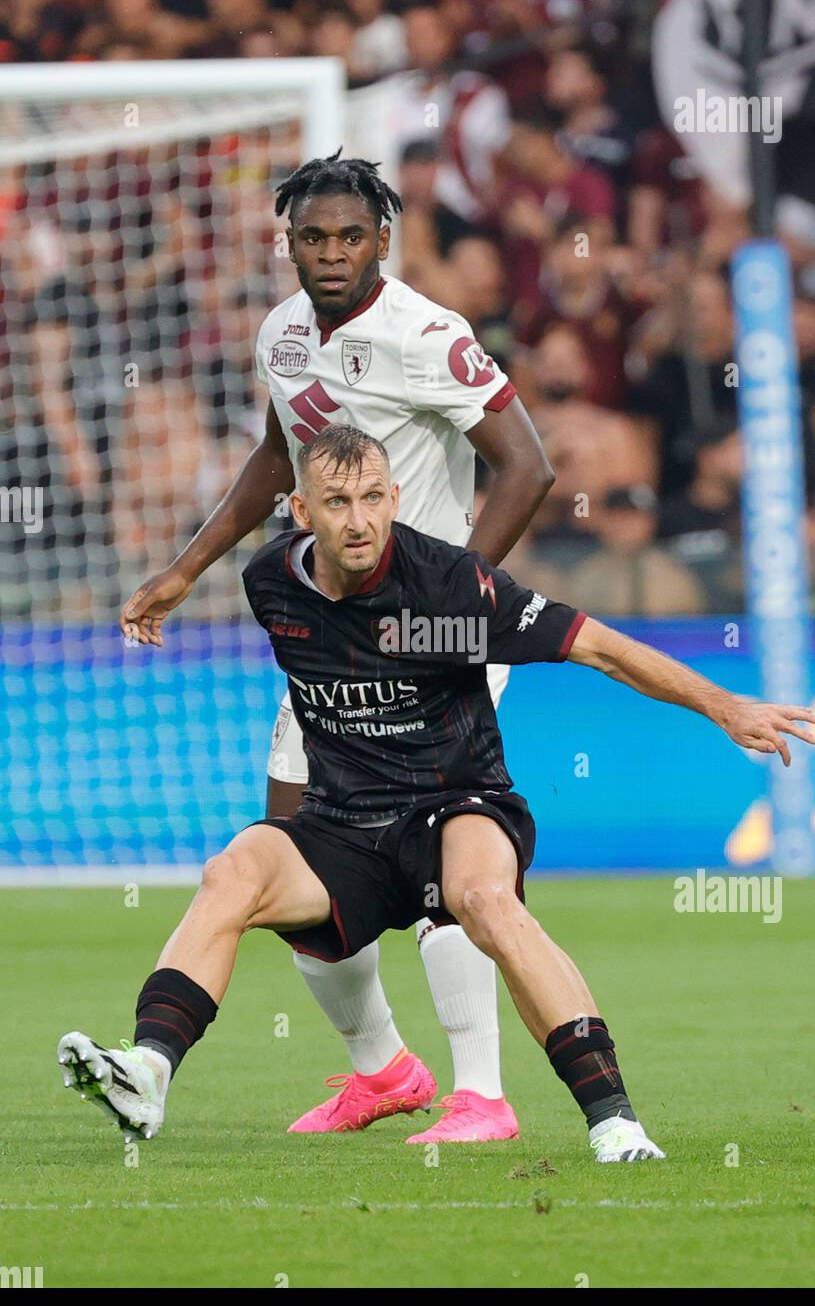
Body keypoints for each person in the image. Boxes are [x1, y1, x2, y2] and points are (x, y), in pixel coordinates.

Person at [60, 426, 815, 1162]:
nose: (357, 522)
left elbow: (599, 647)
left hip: (456, 804)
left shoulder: (451, 588)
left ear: (394, 498)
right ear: (300, 512)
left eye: (370, 499)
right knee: (233, 870)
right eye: (335, 502)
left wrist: (726, 706)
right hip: (343, 825)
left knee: (486, 900)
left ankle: (614, 1122)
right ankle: (150, 1072)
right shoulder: (270, 584)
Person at [119, 152, 556, 1144]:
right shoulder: (280, 334)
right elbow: (276, 460)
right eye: (310, 237)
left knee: (451, 850)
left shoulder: (426, 337)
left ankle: (481, 1094)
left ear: (381, 241)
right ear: (287, 241)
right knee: (290, 846)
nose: (328, 253)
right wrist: (187, 569)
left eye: (348, 236)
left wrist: (455, 605)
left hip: (433, 637)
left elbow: (527, 467)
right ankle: (383, 1072)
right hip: (329, 637)